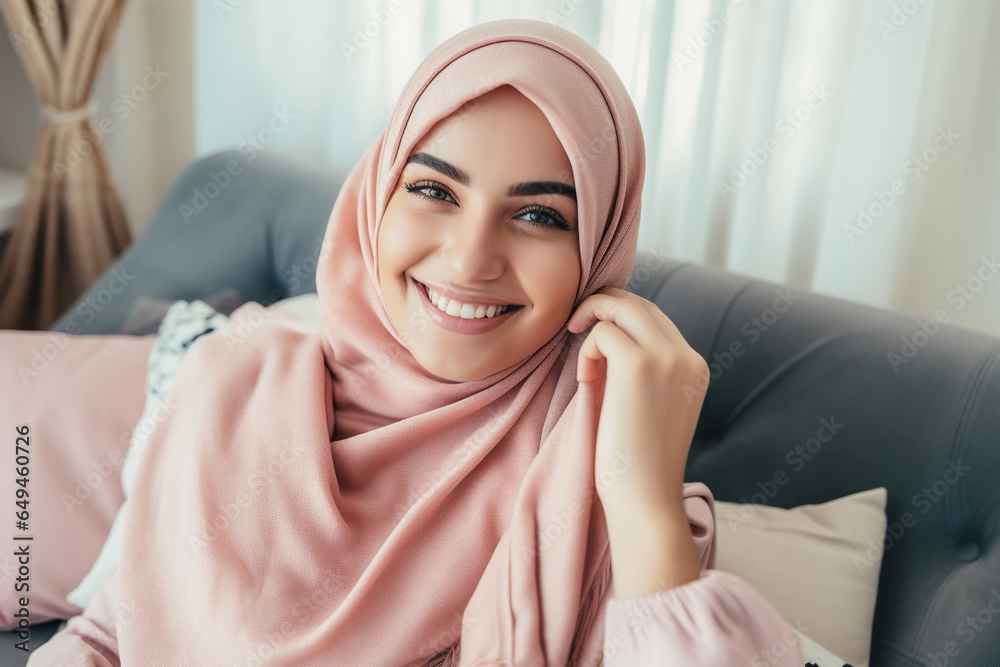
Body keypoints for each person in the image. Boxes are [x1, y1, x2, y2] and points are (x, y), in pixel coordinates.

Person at [8, 18, 803, 666]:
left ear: (597, 254)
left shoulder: (602, 503)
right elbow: (111, 633)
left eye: (540, 215)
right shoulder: (226, 381)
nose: (469, 258)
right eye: (432, 190)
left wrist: (641, 503)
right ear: (374, 201)